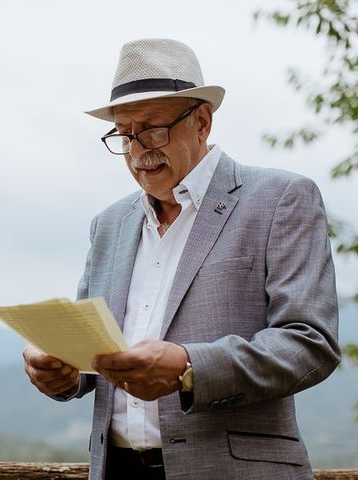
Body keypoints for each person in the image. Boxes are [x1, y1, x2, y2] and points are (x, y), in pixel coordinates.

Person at [22, 39, 341, 480]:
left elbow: (310, 344)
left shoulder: (282, 198)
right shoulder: (109, 224)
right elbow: (92, 352)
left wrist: (189, 368)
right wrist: (64, 372)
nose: (137, 150)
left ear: (203, 122)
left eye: (152, 129)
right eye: (123, 133)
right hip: (115, 469)